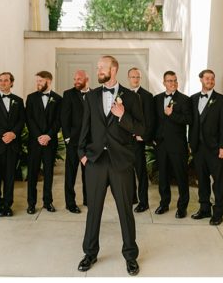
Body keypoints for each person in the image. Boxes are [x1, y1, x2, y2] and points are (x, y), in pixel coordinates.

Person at [77, 55, 146, 276]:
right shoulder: (92, 96)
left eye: (102, 68)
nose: (98, 71)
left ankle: (130, 255)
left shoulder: (132, 98)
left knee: (125, 211)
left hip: (121, 162)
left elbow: (141, 130)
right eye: (97, 67)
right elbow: (85, 127)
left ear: (113, 69)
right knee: (93, 210)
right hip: (96, 161)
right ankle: (90, 253)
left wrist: (123, 115)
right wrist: (82, 154)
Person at [189, 69, 223, 225]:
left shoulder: (222, 100)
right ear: (201, 79)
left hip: (215, 148)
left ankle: (218, 213)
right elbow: (192, 123)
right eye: (207, 78)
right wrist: (190, 143)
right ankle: (204, 209)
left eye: (212, 78)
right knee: (202, 180)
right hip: (198, 148)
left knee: (218, 181)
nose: (210, 80)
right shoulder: (193, 99)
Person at [152, 71, 192, 218]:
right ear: (164, 82)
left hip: (177, 145)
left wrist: (172, 114)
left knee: (181, 176)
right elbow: (153, 121)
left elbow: (189, 119)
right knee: (163, 176)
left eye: (175, 80)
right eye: (169, 81)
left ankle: (182, 207)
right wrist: (153, 139)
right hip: (161, 145)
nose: (173, 83)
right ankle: (164, 203)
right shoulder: (156, 99)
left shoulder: (184, 99)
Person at [0, 72, 25, 217]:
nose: (3, 83)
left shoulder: (18, 101)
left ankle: (8, 205)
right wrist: (4, 134)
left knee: (10, 177)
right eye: (0, 80)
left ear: (11, 83)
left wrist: (13, 134)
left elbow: (22, 120)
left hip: (13, 145)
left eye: (6, 80)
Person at [25, 70, 62, 214]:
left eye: (40, 81)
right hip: (35, 142)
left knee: (48, 173)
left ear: (49, 81)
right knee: (33, 173)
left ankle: (48, 202)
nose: (38, 84)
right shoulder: (31, 98)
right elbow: (29, 119)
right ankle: (31, 204)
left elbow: (58, 121)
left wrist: (48, 136)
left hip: (50, 142)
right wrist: (39, 136)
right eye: (37, 81)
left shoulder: (58, 99)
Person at [61, 70, 90, 213]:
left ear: (87, 79)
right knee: (70, 173)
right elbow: (64, 118)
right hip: (73, 141)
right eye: (75, 78)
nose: (76, 81)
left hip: (90, 142)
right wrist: (67, 138)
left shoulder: (95, 94)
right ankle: (70, 203)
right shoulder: (68, 94)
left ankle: (88, 200)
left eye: (79, 78)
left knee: (89, 173)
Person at [127, 67, 155, 213]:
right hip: (126, 141)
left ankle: (144, 202)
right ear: (128, 78)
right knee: (128, 171)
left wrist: (142, 136)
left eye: (137, 77)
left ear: (140, 78)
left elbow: (149, 119)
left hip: (138, 140)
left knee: (141, 172)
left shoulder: (147, 96)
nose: (135, 79)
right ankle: (132, 198)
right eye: (132, 77)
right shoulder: (123, 94)